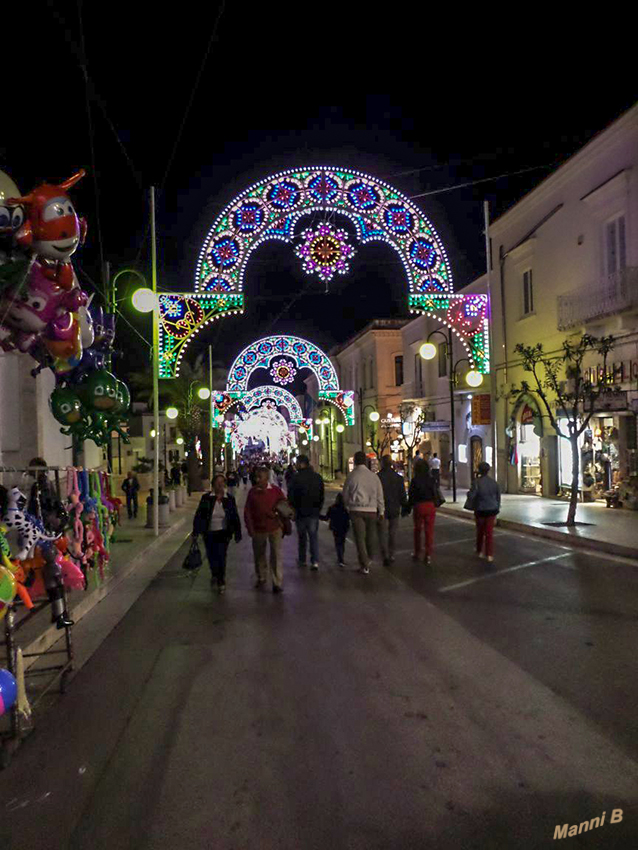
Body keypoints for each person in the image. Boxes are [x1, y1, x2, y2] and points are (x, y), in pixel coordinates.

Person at [193, 474, 242, 593]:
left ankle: (221, 579)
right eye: (217, 482)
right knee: (211, 555)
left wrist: (237, 532)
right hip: (209, 532)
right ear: (213, 485)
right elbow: (200, 515)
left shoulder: (229, 499)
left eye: (222, 482)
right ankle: (214, 573)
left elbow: (234, 516)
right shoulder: (207, 498)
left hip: (223, 532)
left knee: (221, 555)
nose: (220, 485)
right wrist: (196, 531)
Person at [244, 467, 286, 593]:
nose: (257, 479)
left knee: (276, 554)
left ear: (266, 478)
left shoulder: (275, 491)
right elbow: (248, 511)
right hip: (258, 528)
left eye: (260, 477)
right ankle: (261, 576)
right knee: (259, 554)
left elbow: (284, 506)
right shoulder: (252, 492)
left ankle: (277, 582)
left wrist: (283, 522)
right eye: (256, 477)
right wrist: (250, 527)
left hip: (274, 527)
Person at [342, 451, 385, 575]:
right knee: (371, 536)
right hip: (372, 510)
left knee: (359, 538)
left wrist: (347, 506)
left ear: (355, 461)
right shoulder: (374, 476)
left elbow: (345, 494)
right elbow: (379, 495)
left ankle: (364, 563)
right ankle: (369, 558)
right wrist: (381, 511)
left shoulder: (351, 476)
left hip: (356, 510)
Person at [288, 454, 324, 570]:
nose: (296, 465)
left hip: (300, 512)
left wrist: (292, 509)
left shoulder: (296, 478)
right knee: (313, 536)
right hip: (313, 512)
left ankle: (302, 559)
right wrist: (318, 508)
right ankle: (314, 561)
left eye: (297, 463)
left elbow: (291, 496)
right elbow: (321, 495)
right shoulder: (317, 477)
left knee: (302, 537)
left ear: (302, 464)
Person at [468, 461, 501, 563]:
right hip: (492, 510)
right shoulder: (494, 483)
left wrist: (469, 493)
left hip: (480, 509)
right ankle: (489, 554)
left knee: (480, 531)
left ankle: (479, 551)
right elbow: (498, 498)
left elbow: (472, 496)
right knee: (489, 533)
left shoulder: (476, 482)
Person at [377, 455, 407, 566]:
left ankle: (384, 554)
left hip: (382, 508)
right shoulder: (398, 478)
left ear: (382, 463)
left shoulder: (378, 477)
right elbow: (402, 495)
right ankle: (391, 554)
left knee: (382, 533)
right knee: (392, 533)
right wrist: (405, 507)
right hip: (394, 508)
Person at [408, 459, 438, 565]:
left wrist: (408, 506)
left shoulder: (415, 480)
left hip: (419, 506)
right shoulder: (431, 479)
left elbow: (411, 495)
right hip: (430, 505)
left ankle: (417, 552)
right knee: (429, 531)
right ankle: (428, 554)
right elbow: (435, 493)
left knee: (417, 530)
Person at [326, 493, 350, 567]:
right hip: (343, 527)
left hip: (335, 527)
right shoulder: (345, 509)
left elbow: (326, 518)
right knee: (342, 542)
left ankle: (340, 558)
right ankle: (341, 558)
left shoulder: (332, 508)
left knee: (337, 542)